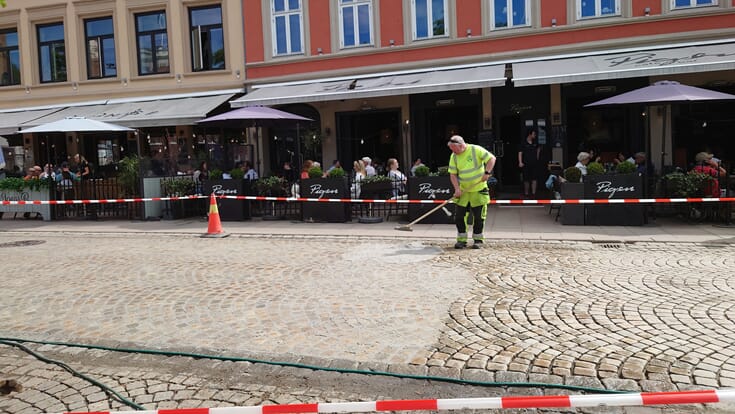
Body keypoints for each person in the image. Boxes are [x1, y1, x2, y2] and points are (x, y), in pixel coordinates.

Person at [448, 135, 496, 250]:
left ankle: (478, 240)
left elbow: (491, 159)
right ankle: (461, 240)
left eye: (453, 149)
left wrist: (487, 172)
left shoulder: (476, 149)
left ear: (461, 145)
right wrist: (457, 188)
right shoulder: (454, 156)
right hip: (464, 191)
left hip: (478, 190)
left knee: (479, 217)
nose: (452, 151)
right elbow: (453, 174)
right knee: (459, 216)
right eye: (451, 149)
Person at [518, 127, 541, 199]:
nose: (535, 135)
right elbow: (520, 153)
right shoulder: (523, 143)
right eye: (534, 134)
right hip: (526, 163)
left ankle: (534, 194)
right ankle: (526, 193)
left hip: (534, 163)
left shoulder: (535, 142)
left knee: (534, 178)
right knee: (526, 179)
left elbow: (539, 149)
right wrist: (520, 162)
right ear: (530, 134)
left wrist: (537, 157)